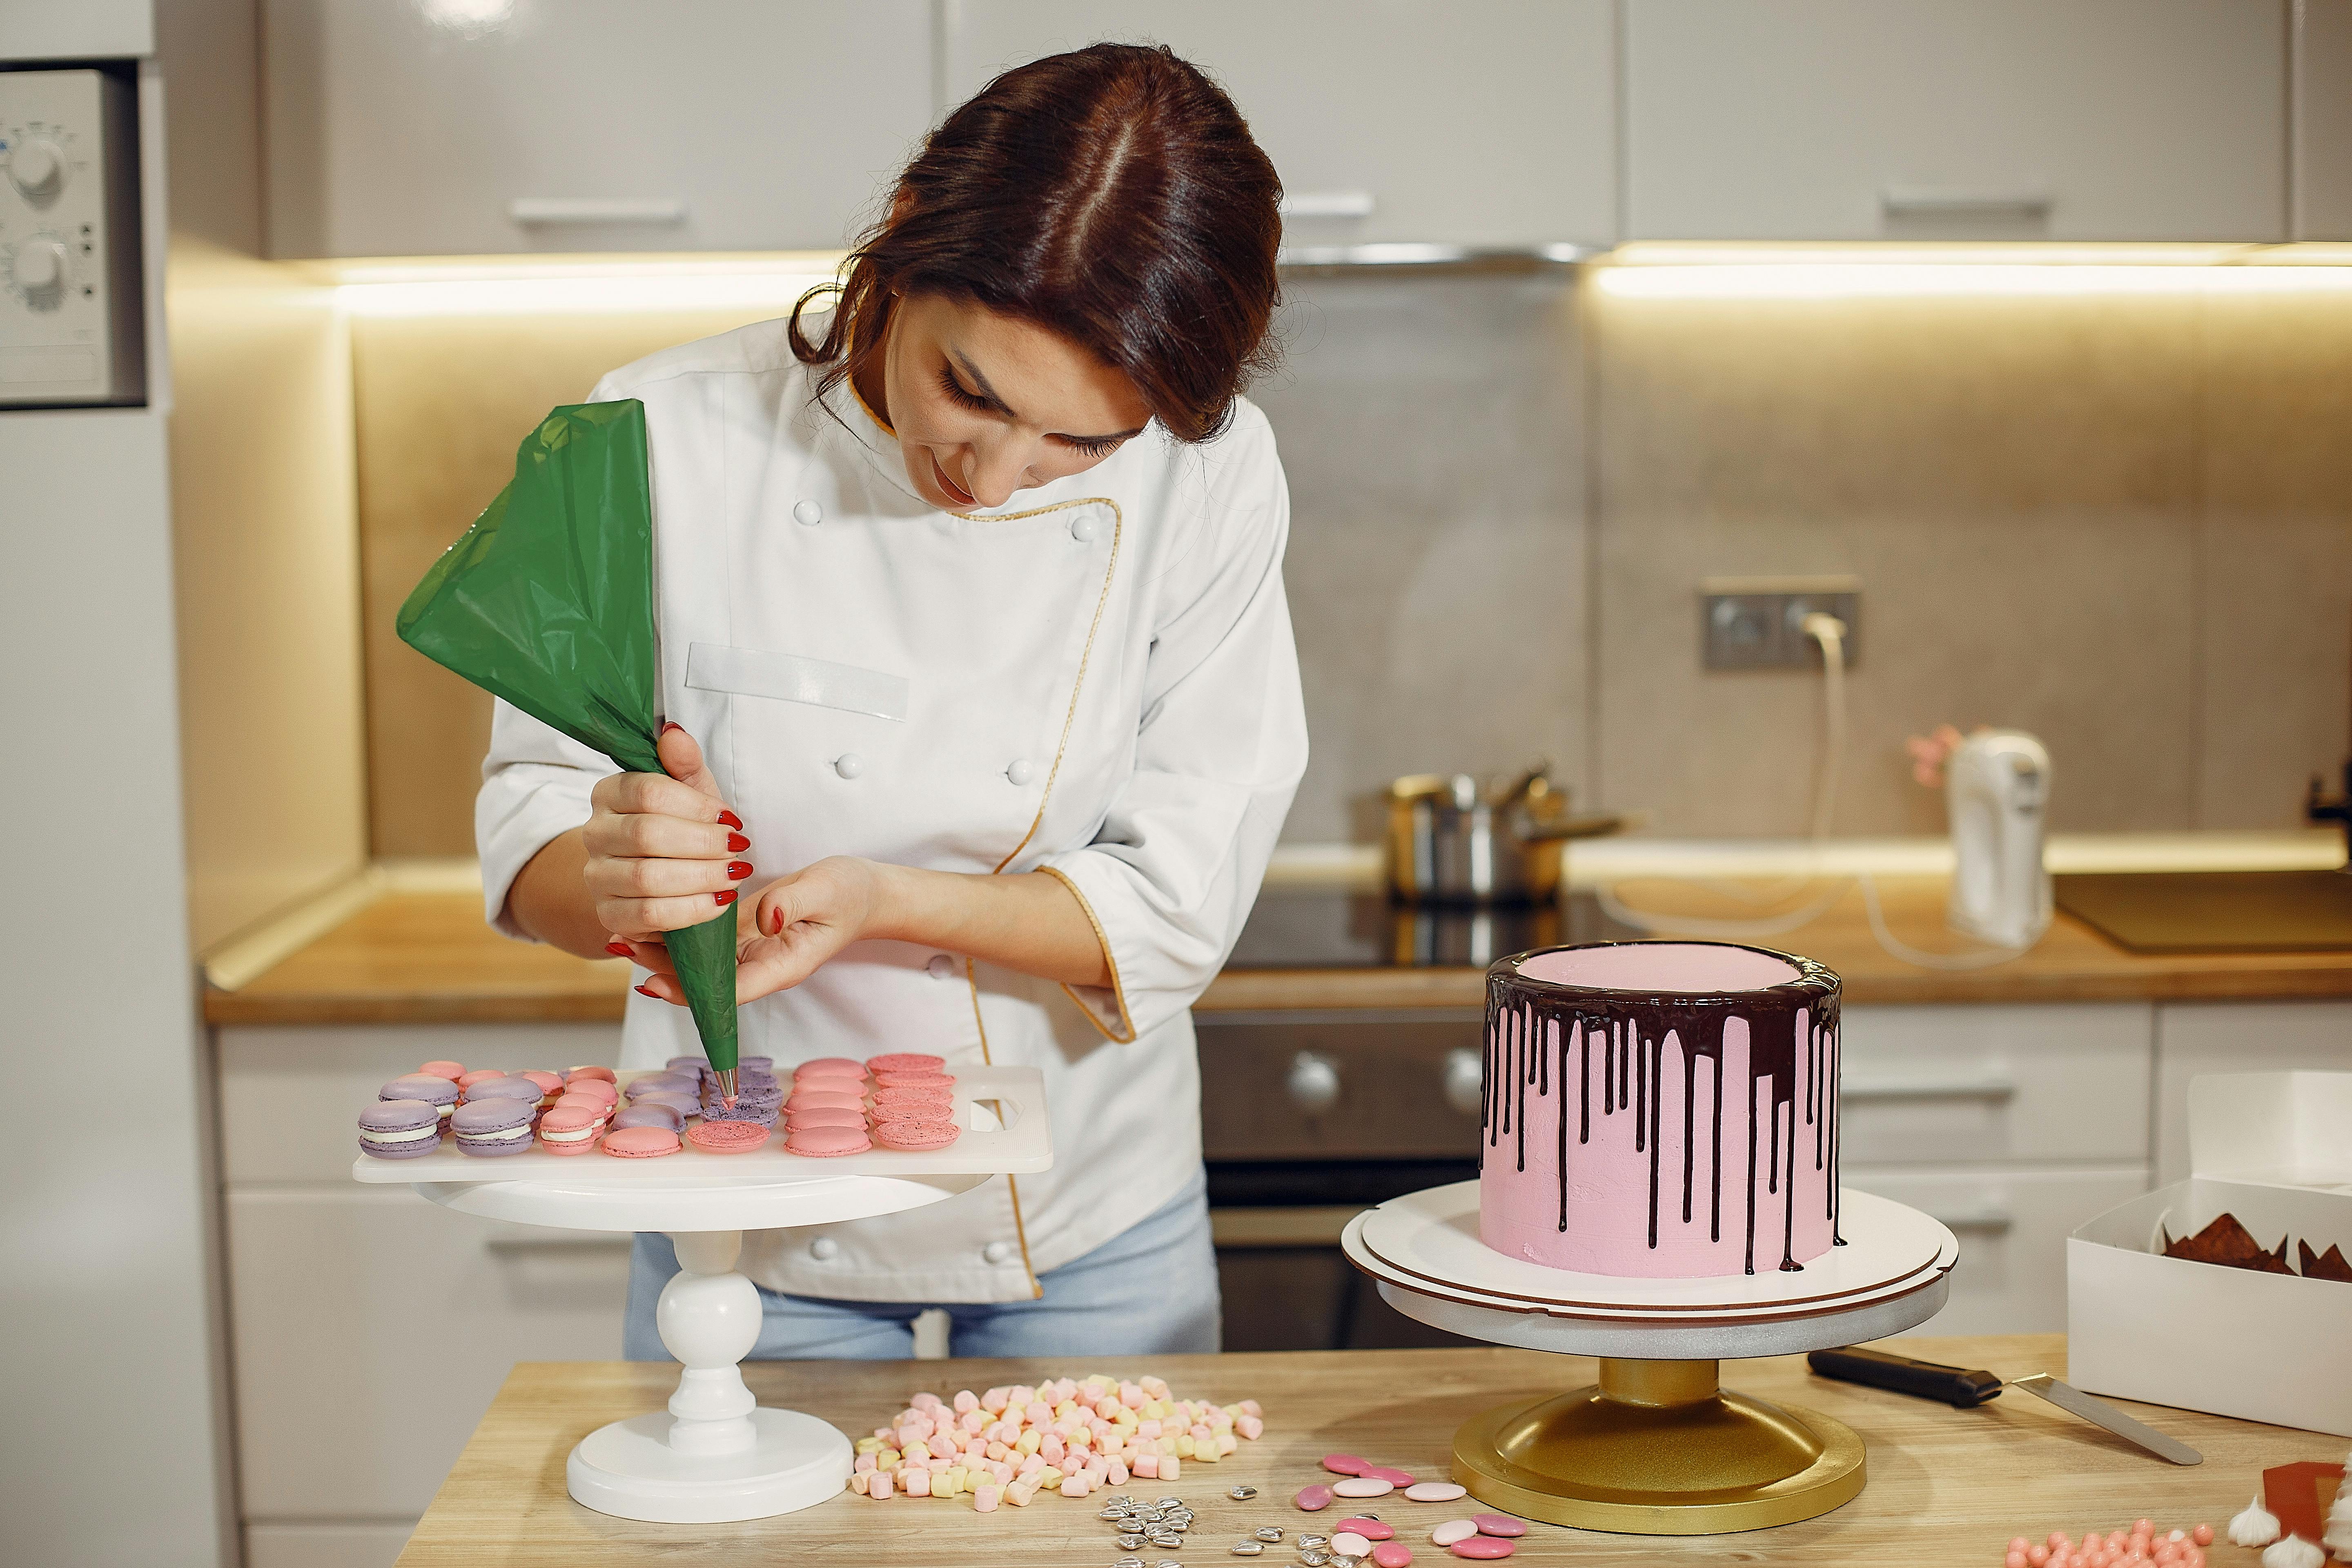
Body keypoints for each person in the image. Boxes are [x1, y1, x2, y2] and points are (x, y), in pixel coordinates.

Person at [478, 43, 1307, 1359]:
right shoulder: (656, 428)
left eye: (1077, 445)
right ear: (900, 247)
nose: (994, 476)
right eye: (967, 391)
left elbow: (1178, 899)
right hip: (742, 1204)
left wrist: (886, 901)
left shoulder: (1210, 476)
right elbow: (528, 830)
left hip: (1084, 1215)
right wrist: (615, 873)